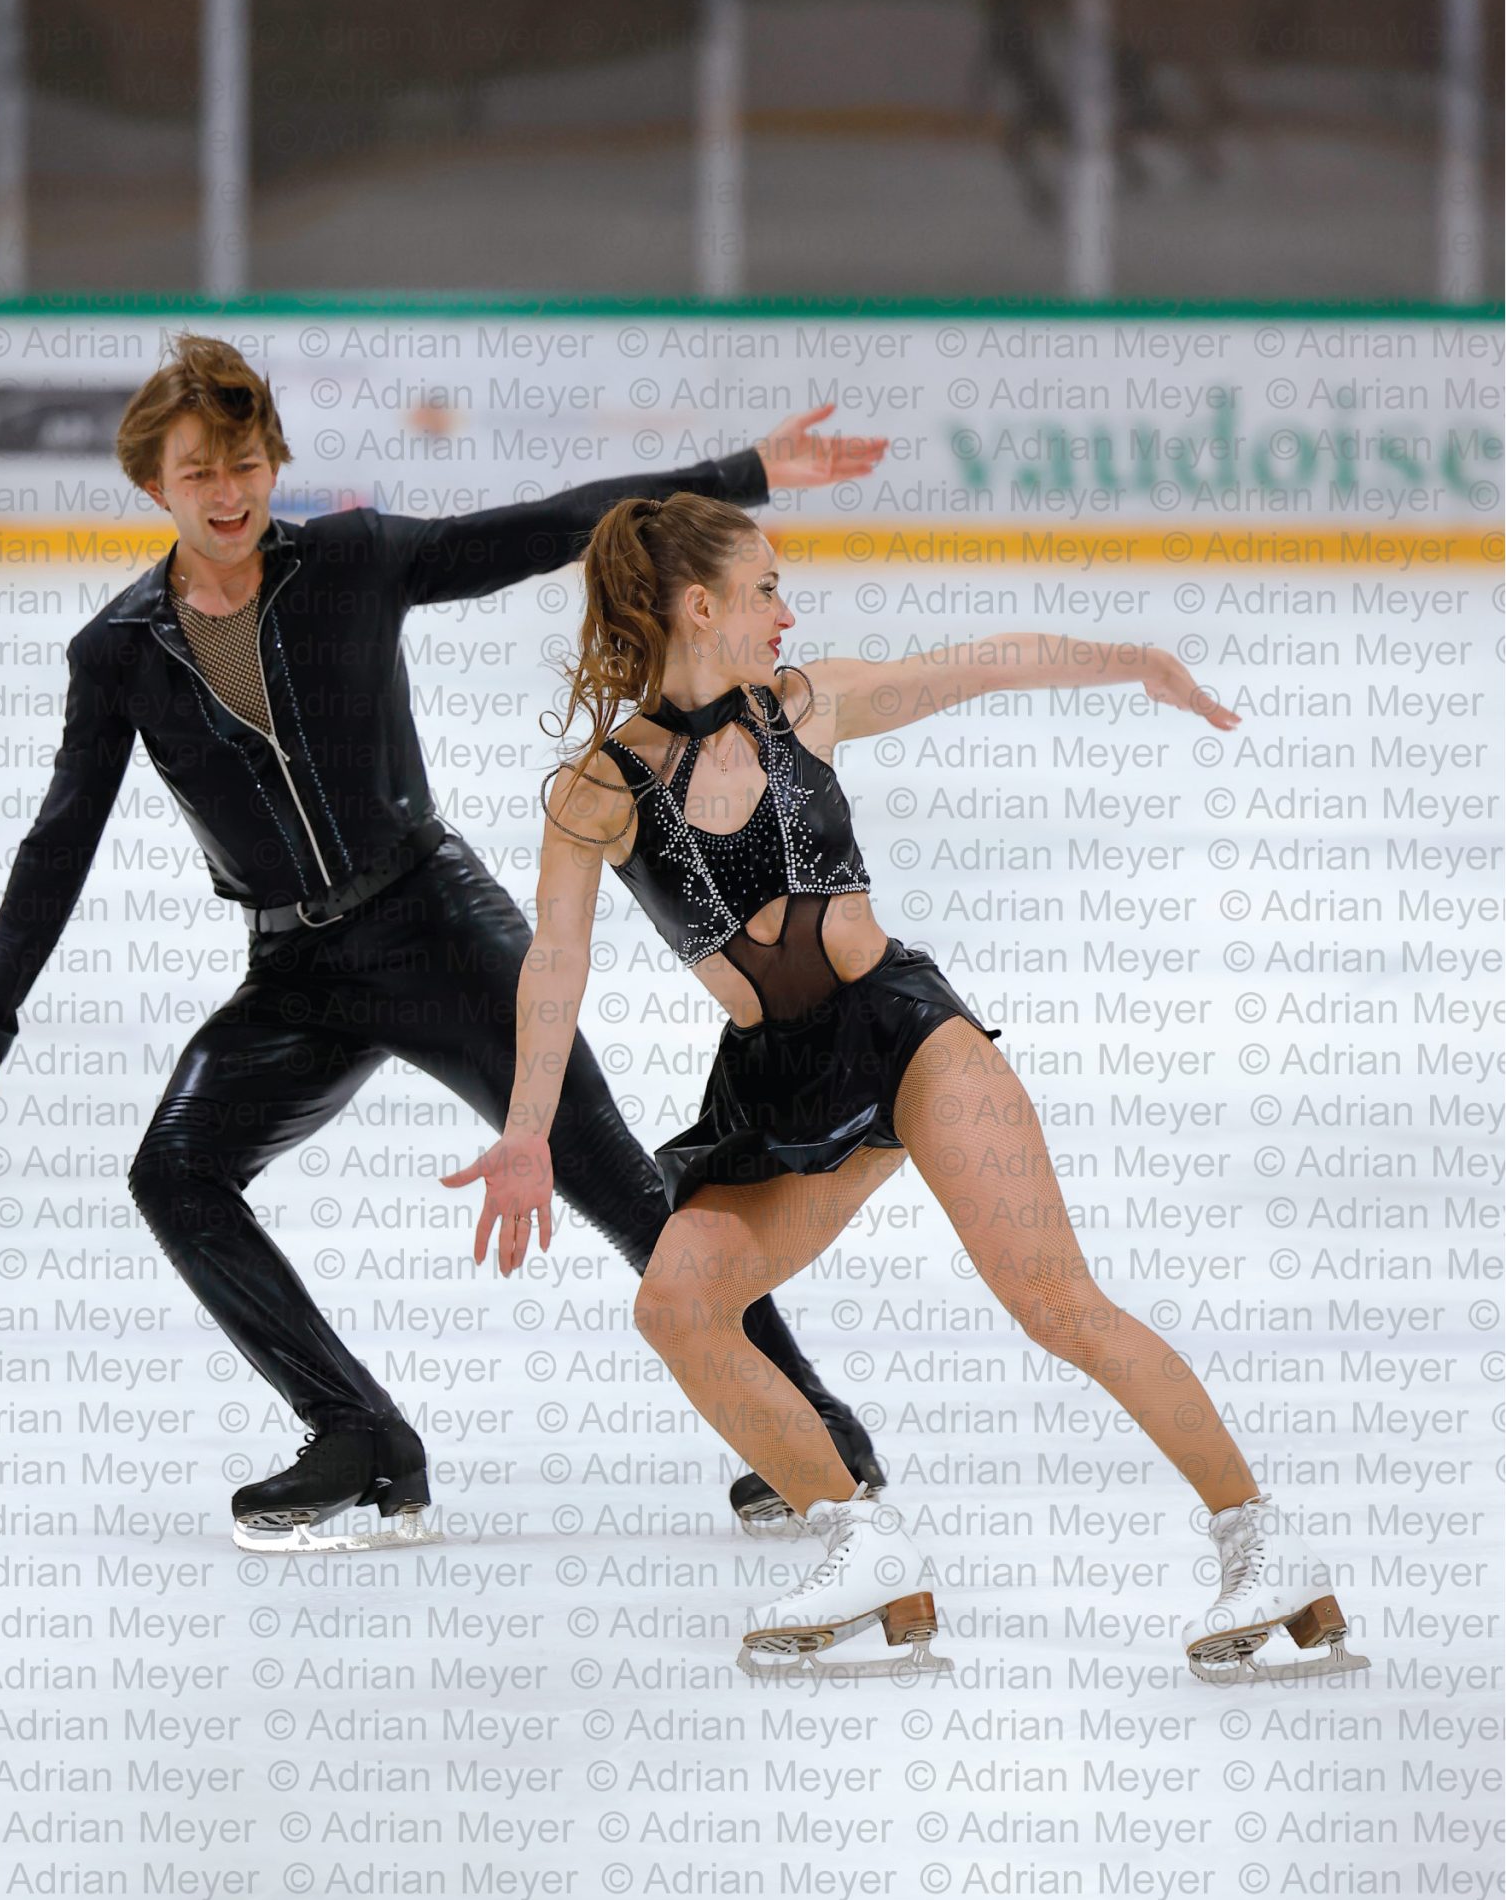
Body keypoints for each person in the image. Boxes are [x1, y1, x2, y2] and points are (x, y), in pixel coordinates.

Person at [0, 334, 891, 1555]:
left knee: (609, 1179)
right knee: (174, 1172)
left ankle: (815, 1430)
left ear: (273, 461)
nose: (229, 493)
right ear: (152, 486)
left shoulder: (352, 563)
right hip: (294, 972)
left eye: (246, 462)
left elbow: (544, 524)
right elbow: (59, 841)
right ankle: (361, 1436)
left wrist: (739, 470)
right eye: (199, 472)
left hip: (434, 923)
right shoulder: (119, 655)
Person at [446, 492, 1370, 1687]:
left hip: (905, 1035)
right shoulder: (601, 788)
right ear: (700, 604)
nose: (786, 611)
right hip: (776, 1085)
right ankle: (859, 1539)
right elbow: (554, 964)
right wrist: (526, 1133)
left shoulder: (808, 707)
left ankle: (1261, 1538)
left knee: (1053, 1300)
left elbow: (977, 666)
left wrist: (1132, 661)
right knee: (675, 1303)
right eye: (765, 588)